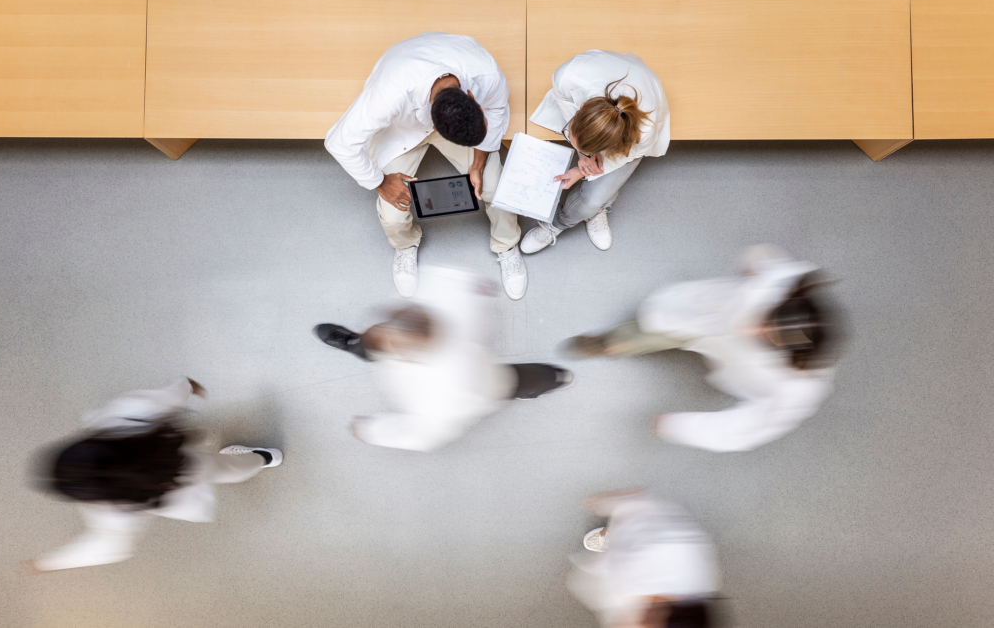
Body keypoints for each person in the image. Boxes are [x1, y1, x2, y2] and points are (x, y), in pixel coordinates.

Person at [564, 245, 841, 453]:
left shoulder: (797, 389)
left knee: (691, 339)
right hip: (701, 316)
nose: (751, 331)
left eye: (768, 339)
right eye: (766, 321)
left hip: (729, 358)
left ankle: (620, 342)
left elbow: (748, 428)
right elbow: (762, 256)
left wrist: (682, 427)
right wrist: (752, 264)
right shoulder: (785, 280)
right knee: (647, 330)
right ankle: (608, 343)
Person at [326, 32, 528, 300]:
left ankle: (506, 244)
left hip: (445, 107)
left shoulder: (486, 75)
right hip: (400, 128)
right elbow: (339, 142)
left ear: (471, 95)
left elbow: (495, 110)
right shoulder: (387, 95)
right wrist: (380, 182)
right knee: (393, 212)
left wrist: (478, 164)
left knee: (496, 186)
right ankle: (405, 245)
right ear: (433, 126)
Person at [26, 377, 282, 572]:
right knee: (222, 465)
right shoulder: (116, 420)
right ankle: (263, 456)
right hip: (165, 449)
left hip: (173, 481)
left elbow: (107, 547)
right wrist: (186, 387)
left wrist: (50, 562)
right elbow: (157, 400)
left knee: (228, 471)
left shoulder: (115, 507)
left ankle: (263, 459)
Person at [312, 265, 572, 451]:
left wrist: (374, 430)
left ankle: (553, 377)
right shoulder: (439, 305)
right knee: (369, 344)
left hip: (487, 380)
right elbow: (459, 282)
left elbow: (423, 433)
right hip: (438, 353)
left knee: (515, 381)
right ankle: (355, 343)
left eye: (389, 340)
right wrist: (478, 287)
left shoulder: (444, 395)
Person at [521, 50, 670, 254]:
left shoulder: (644, 132)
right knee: (597, 192)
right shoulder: (567, 76)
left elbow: (630, 153)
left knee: (593, 199)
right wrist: (585, 156)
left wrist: (582, 171)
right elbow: (562, 101)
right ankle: (590, 209)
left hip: (645, 98)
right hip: (608, 71)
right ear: (581, 107)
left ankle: (562, 223)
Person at [569, 488, 720, 628]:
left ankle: (612, 533)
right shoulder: (669, 553)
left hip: (635, 549)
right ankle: (612, 528)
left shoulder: (635, 604)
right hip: (639, 527)